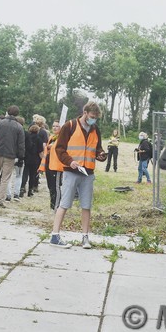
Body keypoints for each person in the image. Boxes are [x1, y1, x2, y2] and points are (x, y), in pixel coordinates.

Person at [49, 101, 107, 248]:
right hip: (71, 171)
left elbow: (97, 148)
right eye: (92, 116)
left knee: (86, 205)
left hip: (88, 173)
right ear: (85, 113)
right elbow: (60, 149)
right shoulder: (69, 126)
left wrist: (101, 155)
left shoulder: (95, 129)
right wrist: (70, 162)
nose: (94, 119)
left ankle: (85, 237)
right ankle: (55, 236)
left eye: (96, 117)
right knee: (65, 203)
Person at [38, 120, 62, 210]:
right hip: (49, 165)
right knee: (50, 186)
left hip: (57, 166)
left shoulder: (63, 138)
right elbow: (46, 153)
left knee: (56, 187)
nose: (55, 128)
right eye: (53, 126)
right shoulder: (51, 137)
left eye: (57, 126)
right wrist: (42, 167)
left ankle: (57, 206)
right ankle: (52, 205)